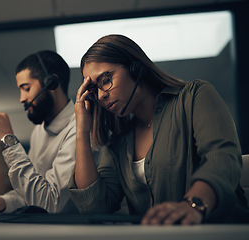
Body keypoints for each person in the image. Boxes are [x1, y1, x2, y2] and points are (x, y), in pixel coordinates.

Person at [69, 34, 247, 225]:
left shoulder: (194, 97)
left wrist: (192, 206)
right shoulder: (118, 141)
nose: (102, 96)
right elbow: (95, 206)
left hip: (219, 231)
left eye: (105, 80)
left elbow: (222, 158)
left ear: (135, 68)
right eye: (94, 90)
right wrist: (81, 130)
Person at [0, 50, 77, 214]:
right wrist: (3, 202)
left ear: (52, 83)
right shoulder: (39, 132)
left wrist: (8, 141)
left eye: (26, 88)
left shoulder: (78, 129)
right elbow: (33, 193)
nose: (21, 98)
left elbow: (50, 204)